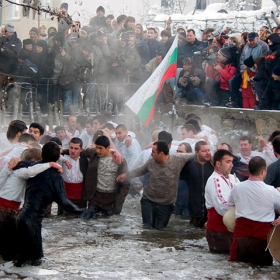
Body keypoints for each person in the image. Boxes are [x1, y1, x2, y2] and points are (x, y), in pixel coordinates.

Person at [14, 141, 83, 267]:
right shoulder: (55, 176)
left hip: (20, 218)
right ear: (58, 158)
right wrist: (82, 211)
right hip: (33, 222)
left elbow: (17, 164)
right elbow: (63, 202)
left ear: (41, 153)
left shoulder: (32, 167)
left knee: (20, 262)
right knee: (35, 262)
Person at [117, 140, 195, 230]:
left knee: (160, 230)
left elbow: (195, 154)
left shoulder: (178, 159)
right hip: (148, 200)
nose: (151, 153)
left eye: (153, 152)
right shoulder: (151, 161)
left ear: (161, 153)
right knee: (147, 228)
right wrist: (126, 175)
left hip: (166, 203)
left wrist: (211, 159)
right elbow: (140, 170)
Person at [0, 147, 61, 261]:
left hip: (6, 208)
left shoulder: (12, 169)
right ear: (33, 161)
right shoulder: (21, 171)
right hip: (6, 210)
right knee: (8, 247)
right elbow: (30, 171)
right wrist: (49, 164)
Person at [228, 156, 280, 266]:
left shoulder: (237, 187)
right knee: (261, 271)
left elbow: (231, 203)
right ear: (263, 171)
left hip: (241, 239)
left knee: (237, 270)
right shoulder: (271, 191)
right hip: (261, 240)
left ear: (249, 170)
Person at [82, 136, 130, 219]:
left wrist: (120, 200)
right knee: (88, 222)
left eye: (100, 148)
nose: (98, 151)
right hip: (95, 197)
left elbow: (126, 182)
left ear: (108, 147)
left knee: (109, 226)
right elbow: (85, 148)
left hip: (111, 199)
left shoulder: (119, 160)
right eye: (96, 147)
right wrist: (114, 150)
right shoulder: (94, 154)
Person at [205, 149, 238, 254]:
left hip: (232, 230)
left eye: (231, 162)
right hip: (218, 232)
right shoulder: (214, 180)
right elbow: (222, 207)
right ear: (218, 163)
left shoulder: (233, 178)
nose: (231, 165)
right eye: (228, 162)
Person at [181, 141, 213, 227]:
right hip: (194, 209)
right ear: (196, 153)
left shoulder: (213, 165)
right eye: (204, 151)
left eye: (208, 150)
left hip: (210, 210)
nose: (207, 153)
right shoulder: (189, 165)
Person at [60, 138, 88, 213]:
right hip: (65, 196)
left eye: (76, 148)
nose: (72, 151)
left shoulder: (85, 159)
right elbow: (52, 154)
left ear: (81, 149)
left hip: (80, 198)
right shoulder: (63, 157)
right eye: (71, 148)